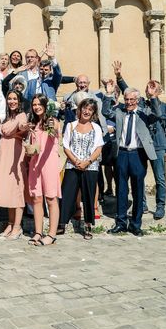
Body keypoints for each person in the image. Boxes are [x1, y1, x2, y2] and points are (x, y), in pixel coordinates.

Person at [114, 63, 166, 220]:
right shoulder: (141, 103)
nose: (149, 89)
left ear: (158, 91)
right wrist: (119, 77)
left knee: (159, 178)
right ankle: (143, 204)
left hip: (158, 146)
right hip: (141, 146)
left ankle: (160, 206)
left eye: (153, 87)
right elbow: (128, 92)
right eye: (148, 87)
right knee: (139, 176)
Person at [102, 82, 161, 236]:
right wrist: (108, 94)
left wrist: (153, 97)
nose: (128, 102)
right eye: (126, 99)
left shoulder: (144, 113)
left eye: (131, 100)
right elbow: (106, 112)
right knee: (121, 188)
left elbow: (157, 115)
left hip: (138, 155)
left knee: (138, 190)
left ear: (137, 100)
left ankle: (135, 224)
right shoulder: (120, 112)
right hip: (121, 154)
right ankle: (121, 222)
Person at [59, 98, 105, 240]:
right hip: (72, 165)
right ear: (80, 109)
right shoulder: (71, 125)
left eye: (90, 109)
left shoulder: (96, 127)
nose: (87, 111)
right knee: (67, 194)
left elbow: (99, 147)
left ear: (93, 113)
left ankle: (88, 224)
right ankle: (62, 223)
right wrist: (75, 161)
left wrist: (87, 162)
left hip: (90, 166)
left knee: (89, 196)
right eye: (85, 108)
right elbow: (66, 146)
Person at [0, 91, 29, 240]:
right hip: (4, 154)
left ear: (19, 101)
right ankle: (10, 222)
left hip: (15, 154)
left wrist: (23, 126)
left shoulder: (21, 116)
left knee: (16, 189)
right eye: (9, 99)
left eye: (15, 99)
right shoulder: (9, 116)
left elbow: (22, 126)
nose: (12, 101)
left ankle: (17, 226)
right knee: (8, 189)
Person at [27, 94, 61, 246]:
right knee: (37, 198)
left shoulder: (52, 121)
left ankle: (52, 234)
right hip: (35, 162)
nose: (36, 107)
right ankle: (38, 232)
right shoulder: (33, 123)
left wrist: (52, 119)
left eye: (39, 104)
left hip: (49, 162)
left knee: (51, 198)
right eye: (34, 104)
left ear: (46, 105)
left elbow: (54, 130)